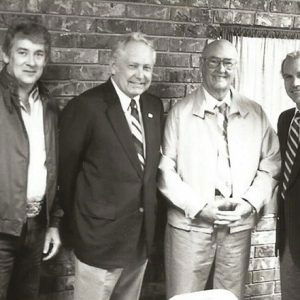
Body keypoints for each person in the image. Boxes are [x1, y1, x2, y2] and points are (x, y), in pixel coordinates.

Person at [158, 39, 281, 299]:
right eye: (213, 61)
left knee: (229, 296)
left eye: (228, 63)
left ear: (236, 68)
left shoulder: (255, 113)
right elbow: (164, 170)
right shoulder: (180, 113)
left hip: (236, 226)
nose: (220, 69)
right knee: (183, 296)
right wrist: (199, 207)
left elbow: (271, 165)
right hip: (190, 225)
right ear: (201, 65)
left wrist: (248, 203)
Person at [59, 32, 163, 300]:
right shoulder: (86, 107)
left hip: (140, 241)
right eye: (133, 66)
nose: (140, 75)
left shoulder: (153, 106)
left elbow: (146, 175)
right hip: (98, 242)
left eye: (147, 67)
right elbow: (66, 176)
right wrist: (79, 229)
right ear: (113, 65)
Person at [0, 22, 62, 300]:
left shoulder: (48, 105)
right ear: (5, 55)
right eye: (22, 52)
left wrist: (52, 223)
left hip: (35, 227)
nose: (31, 61)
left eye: (39, 54)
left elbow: (52, 168)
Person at [276, 51, 300, 300]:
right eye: (288, 76)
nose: (295, 83)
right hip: (289, 240)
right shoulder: (285, 120)